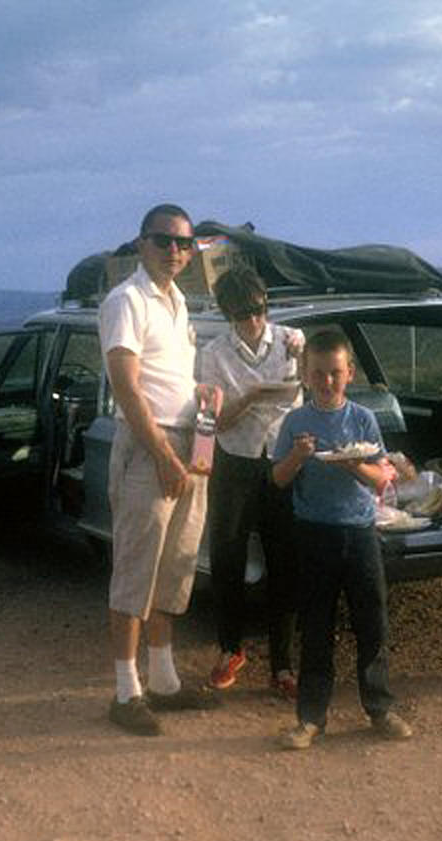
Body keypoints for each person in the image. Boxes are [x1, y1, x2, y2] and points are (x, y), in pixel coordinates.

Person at [98, 203, 221, 735]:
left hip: (186, 443)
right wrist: (166, 457)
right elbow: (128, 391)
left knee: (174, 569)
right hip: (151, 449)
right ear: (141, 243)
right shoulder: (126, 301)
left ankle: (165, 683)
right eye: (164, 240)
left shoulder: (177, 304)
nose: (175, 251)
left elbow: (166, 378)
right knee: (135, 571)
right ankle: (126, 693)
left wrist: (200, 395)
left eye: (184, 244)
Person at [271, 329, 412, 749]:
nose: (327, 381)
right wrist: (297, 456)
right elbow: (278, 478)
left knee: (372, 623)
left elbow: (381, 476)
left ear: (349, 373)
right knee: (316, 627)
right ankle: (311, 718)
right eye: (318, 374)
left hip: (359, 532)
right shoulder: (295, 422)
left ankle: (380, 708)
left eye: (335, 373)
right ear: (305, 374)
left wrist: (354, 466)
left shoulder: (363, 419)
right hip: (314, 534)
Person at [199, 266, 304, 698]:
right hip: (234, 460)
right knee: (227, 557)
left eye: (259, 310)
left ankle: (283, 664)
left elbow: (303, 393)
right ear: (227, 314)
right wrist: (253, 397)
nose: (254, 321)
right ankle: (230, 648)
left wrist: (296, 362)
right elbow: (214, 422)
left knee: (286, 560)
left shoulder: (290, 339)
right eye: (243, 314)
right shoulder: (213, 353)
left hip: (280, 458)